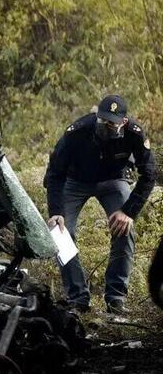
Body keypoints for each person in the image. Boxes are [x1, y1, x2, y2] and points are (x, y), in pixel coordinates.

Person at [44, 95, 156, 314]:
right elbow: (55, 172)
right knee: (60, 231)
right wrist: (56, 211)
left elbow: (149, 174)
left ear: (123, 122)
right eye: (102, 121)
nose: (105, 126)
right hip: (75, 182)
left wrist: (128, 212)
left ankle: (116, 297)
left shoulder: (134, 133)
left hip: (113, 181)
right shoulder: (77, 131)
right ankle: (78, 297)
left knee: (125, 229)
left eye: (111, 123)